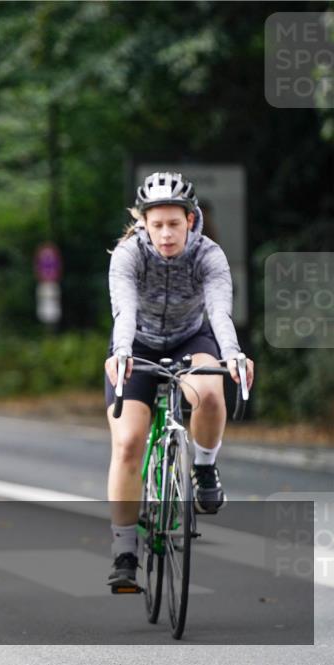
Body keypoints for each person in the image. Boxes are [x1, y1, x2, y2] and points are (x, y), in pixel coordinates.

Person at [104, 172, 255, 590]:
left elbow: (220, 312)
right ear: (143, 223)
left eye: (175, 223)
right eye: (157, 225)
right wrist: (121, 354)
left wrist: (233, 355)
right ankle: (124, 552)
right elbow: (125, 312)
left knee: (209, 391)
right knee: (128, 442)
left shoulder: (210, 255)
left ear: (191, 219)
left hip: (192, 336)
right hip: (136, 342)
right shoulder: (128, 255)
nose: (166, 234)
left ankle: (204, 469)